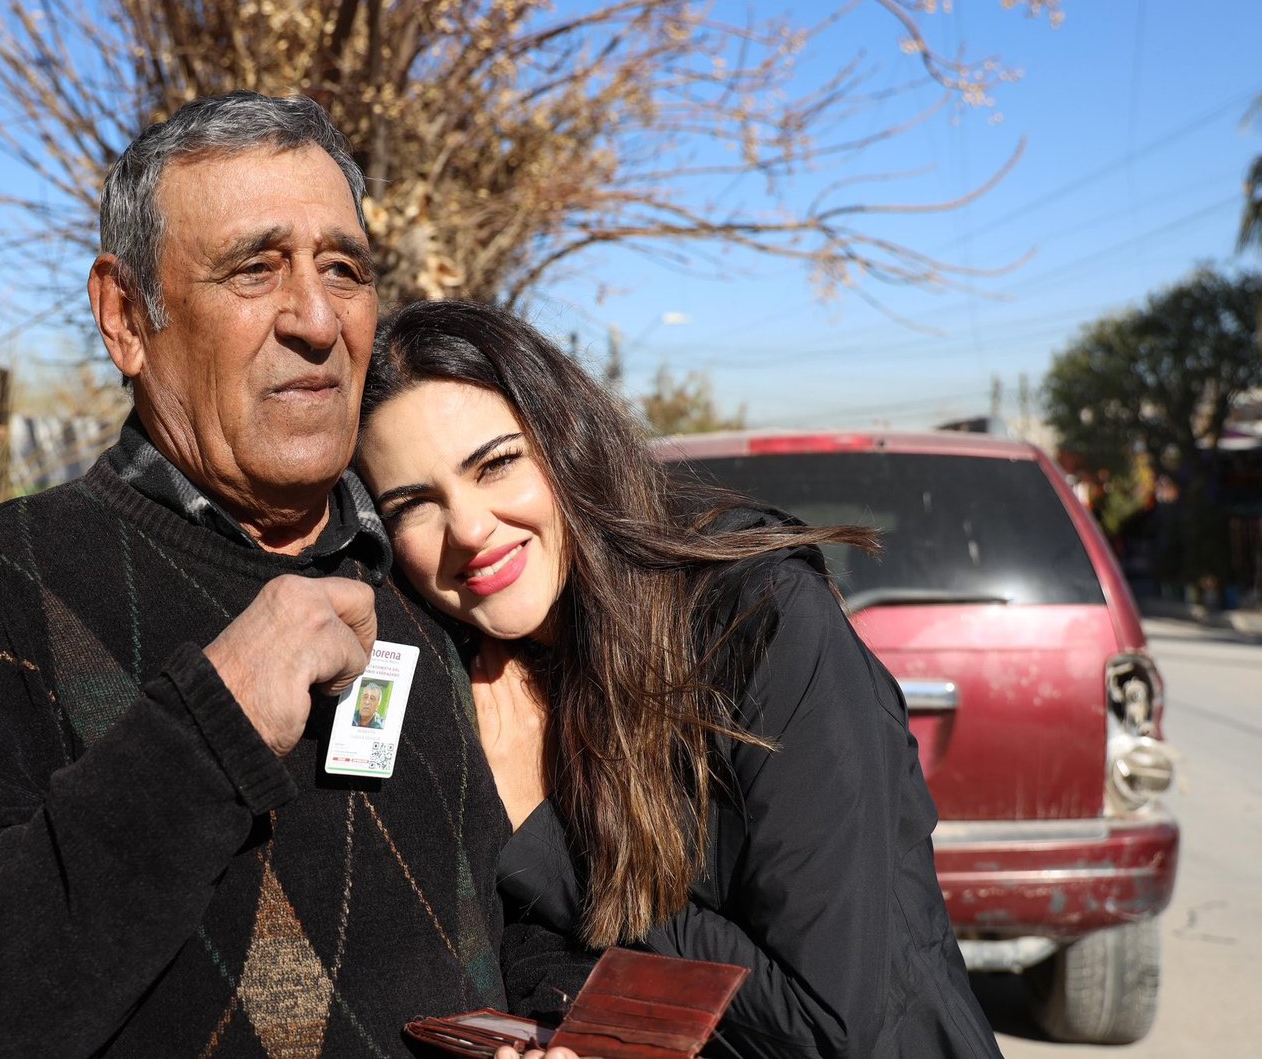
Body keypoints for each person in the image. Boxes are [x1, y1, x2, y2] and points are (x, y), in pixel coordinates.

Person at [0, 93, 576, 1057]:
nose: (317, 318)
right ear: (126, 317)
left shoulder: (422, 579)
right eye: (255, 268)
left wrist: (554, 1021)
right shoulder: (11, 575)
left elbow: (503, 926)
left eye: (343, 268)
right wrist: (213, 723)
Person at [355, 299, 1007, 1059]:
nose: (468, 528)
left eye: (495, 464)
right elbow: (536, 946)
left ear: (565, 442)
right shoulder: (469, 674)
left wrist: (543, 834)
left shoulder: (762, 624)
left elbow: (825, 1025)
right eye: (414, 504)